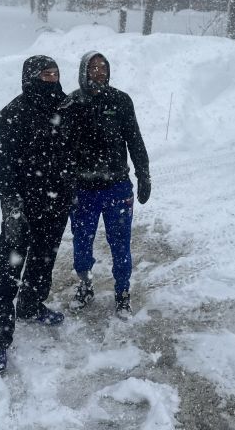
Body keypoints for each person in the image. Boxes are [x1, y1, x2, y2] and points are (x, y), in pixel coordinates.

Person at [0, 55, 72, 374]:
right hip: (24, 205)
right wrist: (13, 205)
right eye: (45, 73)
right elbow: (2, 165)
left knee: (43, 261)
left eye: (55, 73)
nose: (51, 78)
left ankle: (31, 306)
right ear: (30, 76)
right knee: (8, 269)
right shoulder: (14, 112)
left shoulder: (67, 107)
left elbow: (79, 149)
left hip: (57, 202)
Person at [59, 51, 151, 319]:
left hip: (117, 188)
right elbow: (62, 148)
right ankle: (85, 285)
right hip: (83, 191)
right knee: (82, 244)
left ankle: (122, 293)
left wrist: (143, 173)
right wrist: (64, 182)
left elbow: (134, 139)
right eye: (93, 68)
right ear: (83, 71)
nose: (99, 72)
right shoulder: (72, 103)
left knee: (120, 244)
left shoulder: (121, 101)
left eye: (103, 67)